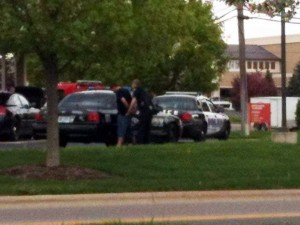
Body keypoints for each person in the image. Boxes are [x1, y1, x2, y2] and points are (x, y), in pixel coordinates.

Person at [127, 79, 153, 144]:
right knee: (147, 127)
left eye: (132, 84)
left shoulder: (137, 91)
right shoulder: (143, 91)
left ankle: (140, 141)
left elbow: (133, 101)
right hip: (149, 111)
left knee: (141, 126)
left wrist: (129, 111)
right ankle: (146, 141)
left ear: (134, 84)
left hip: (143, 111)